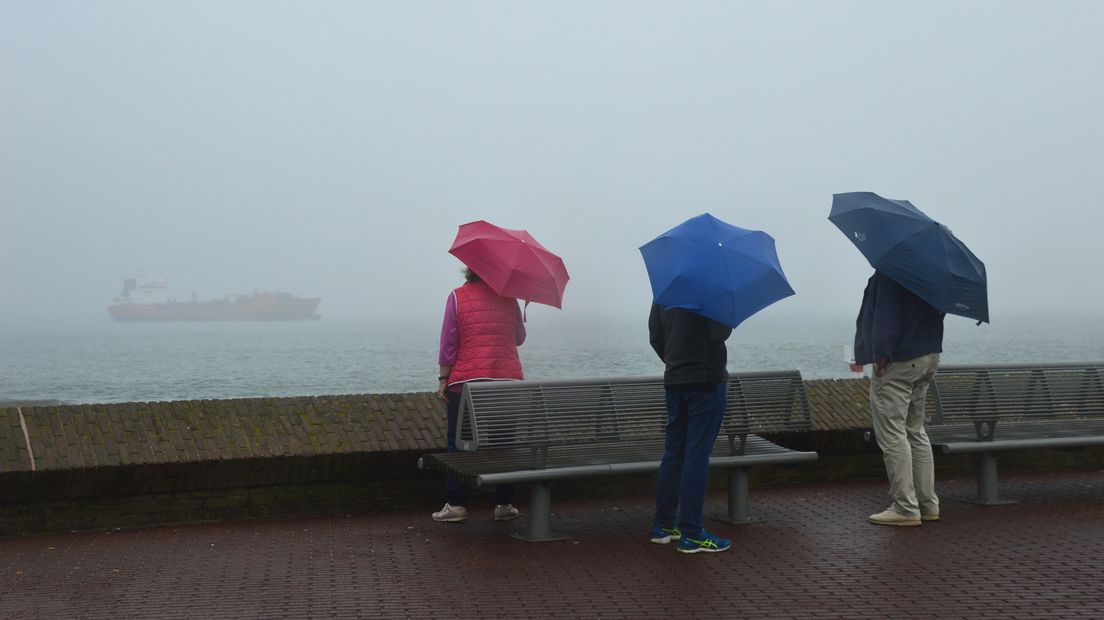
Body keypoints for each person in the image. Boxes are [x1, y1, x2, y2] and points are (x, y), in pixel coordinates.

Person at [432, 267, 525, 523]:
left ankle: (457, 504)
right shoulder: (510, 297)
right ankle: (503, 503)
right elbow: (519, 337)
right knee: (503, 443)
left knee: (458, 442)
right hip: (506, 381)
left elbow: (448, 343)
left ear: (469, 271)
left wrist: (443, 379)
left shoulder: (457, 296)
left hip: (466, 383)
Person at [854, 270, 945, 527]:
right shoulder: (931, 272)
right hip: (928, 354)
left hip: (900, 359)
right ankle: (928, 504)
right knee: (915, 430)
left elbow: (887, 316)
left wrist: (881, 356)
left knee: (893, 433)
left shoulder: (891, 271)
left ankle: (905, 507)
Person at [647, 304, 734, 553]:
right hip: (706, 380)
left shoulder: (666, 285)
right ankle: (692, 533)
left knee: (675, 453)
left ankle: (663, 526)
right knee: (697, 455)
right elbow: (719, 332)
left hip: (675, 379)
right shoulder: (711, 288)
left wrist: (676, 360)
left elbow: (656, 335)